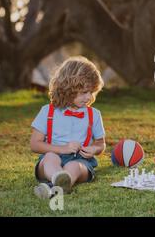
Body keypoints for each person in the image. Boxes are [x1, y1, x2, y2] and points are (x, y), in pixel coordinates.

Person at [30, 56, 106, 198]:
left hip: (80, 161)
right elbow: (34, 144)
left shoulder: (93, 114)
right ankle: (58, 180)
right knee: (51, 158)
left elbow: (101, 144)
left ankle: (54, 187)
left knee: (75, 167)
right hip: (50, 161)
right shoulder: (48, 112)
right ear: (67, 88)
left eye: (92, 92)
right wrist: (62, 149)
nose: (89, 97)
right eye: (84, 92)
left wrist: (94, 149)